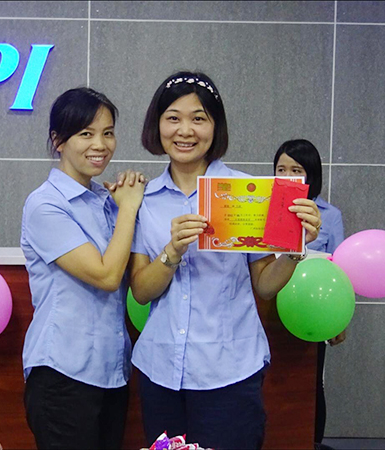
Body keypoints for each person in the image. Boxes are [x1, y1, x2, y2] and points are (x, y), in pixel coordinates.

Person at [127, 71, 322, 450]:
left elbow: (265, 285)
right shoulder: (144, 199)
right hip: (161, 372)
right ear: (157, 125)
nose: (185, 130)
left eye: (199, 118)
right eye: (173, 117)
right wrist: (171, 252)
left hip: (230, 372)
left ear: (215, 127)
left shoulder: (247, 194)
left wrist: (293, 251)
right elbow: (140, 290)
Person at [20, 87, 145, 449]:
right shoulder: (45, 205)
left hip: (112, 373)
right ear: (58, 141)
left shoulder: (107, 201)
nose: (100, 145)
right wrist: (129, 209)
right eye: (86, 134)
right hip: (62, 373)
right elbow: (107, 275)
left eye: (108, 133)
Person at [273, 139, 346, 450]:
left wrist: (339, 320)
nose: (288, 176)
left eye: (296, 170)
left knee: (310, 383)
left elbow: (340, 268)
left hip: (310, 311)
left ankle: (311, 442)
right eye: (281, 170)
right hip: (269, 305)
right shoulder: (262, 208)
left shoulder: (330, 215)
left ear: (311, 175)